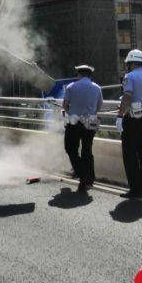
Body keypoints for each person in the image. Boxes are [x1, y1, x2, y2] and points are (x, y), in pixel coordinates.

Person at [116, 49, 142, 198]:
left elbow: (127, 97)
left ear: (130, 63)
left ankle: (135, 189)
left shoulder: (129, 76)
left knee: (130, 154)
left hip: (132, 119)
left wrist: (120, 116)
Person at [62, 64, 104, 194]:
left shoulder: (71, 87)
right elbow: (99, 105)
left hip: (74, 122)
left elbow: (65, 105)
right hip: (91, 121)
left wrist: (71, 113)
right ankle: (89, 179)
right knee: (87, 150)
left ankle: (82, 175)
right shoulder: (97, 88)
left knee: (71, 148)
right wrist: (91, 114)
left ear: (78, 74)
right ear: (90, 75)